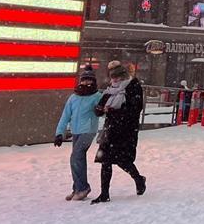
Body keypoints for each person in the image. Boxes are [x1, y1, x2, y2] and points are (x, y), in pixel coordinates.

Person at [90, 60, 146, 204]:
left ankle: (138, 178)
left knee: (123, 160)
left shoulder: (133, 86)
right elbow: (99, 106)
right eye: (112, 77)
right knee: (106, 160)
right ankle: (104, 193)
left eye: (117, 77)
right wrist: (100, 109)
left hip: (126, 130)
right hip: (111, 129)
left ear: (123, 75)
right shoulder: (111, 89)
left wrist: (115, 112)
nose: (114, 80)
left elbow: (135, 109)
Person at [54, 68, 103, 201]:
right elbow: (66, 115)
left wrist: (100, 111)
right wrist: (59, 133)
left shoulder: (97, 96)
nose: (86, 82)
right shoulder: (74, 97)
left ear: (93, 82)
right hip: (76, 131)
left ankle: (82, 188)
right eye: (84, 79)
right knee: (77, 159)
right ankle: (77, 187)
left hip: (88, 130)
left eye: (89, 80)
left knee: (76, 157)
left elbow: (102, 109)